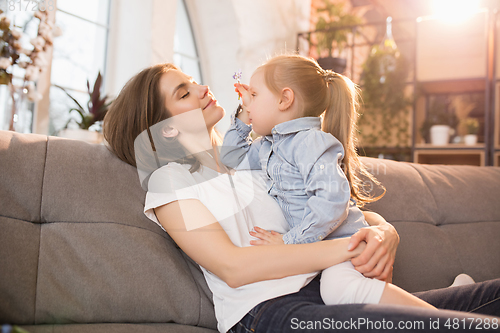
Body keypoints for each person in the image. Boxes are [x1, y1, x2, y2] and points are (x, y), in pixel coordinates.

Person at [102, 63, 500, 332]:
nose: (204, 88)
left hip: (335, 288)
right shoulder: (170, 183)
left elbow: (334, 212)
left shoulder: (261, 157)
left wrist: (383, 233)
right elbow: (234, 267)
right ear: (168, 130)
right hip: (273, 312)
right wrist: (347, 250)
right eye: (185, 93)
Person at [220, 54, 433, 309]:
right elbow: (232, 159)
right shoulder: (265, 147)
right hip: (320, 252)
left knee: (336, 290)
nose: (247, 103)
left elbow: (331, 202)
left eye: (253, 96)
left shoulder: (311, 142)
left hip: (346, 244)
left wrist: (289, 243)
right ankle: (452, 297)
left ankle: (440, 320)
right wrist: (244, 113)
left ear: (285, 99)